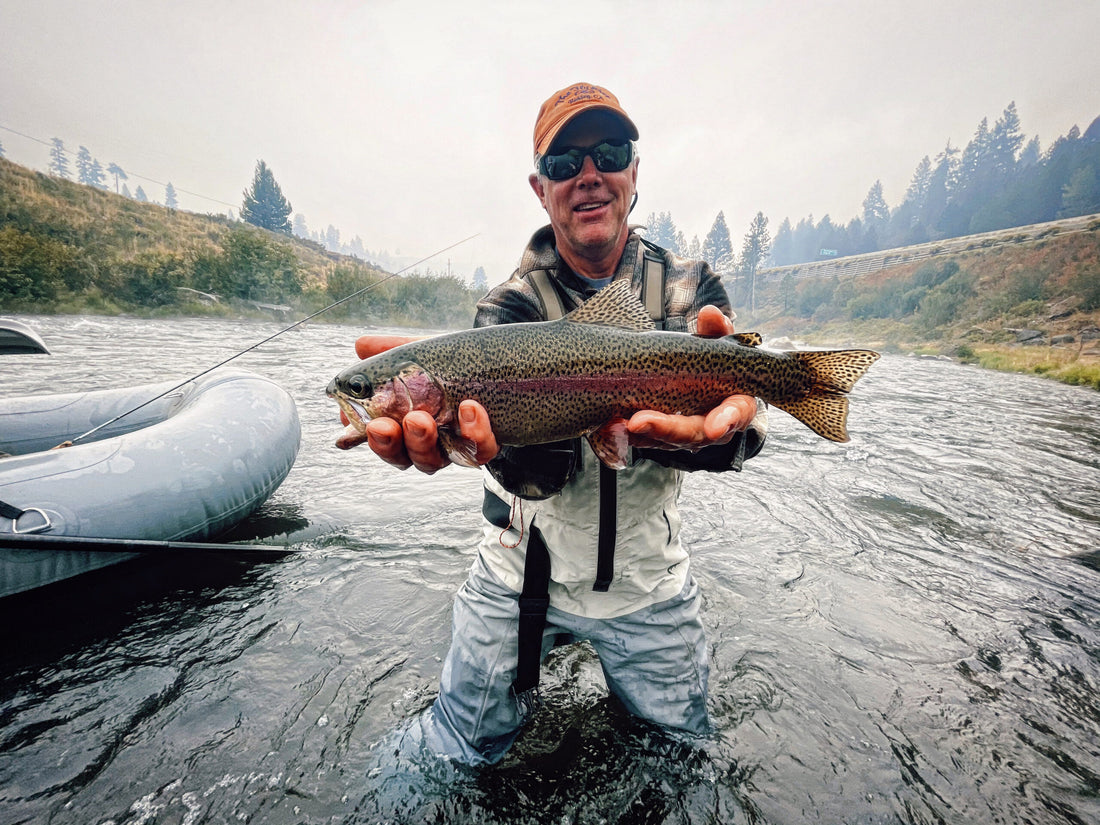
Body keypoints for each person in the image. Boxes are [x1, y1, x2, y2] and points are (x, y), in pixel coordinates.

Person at [341, 82, 768, 766]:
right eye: (565, 163)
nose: (589, 174)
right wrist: (488, 447)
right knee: (443, 755)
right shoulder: (508, 308)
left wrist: (725, 427)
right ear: (541, 188)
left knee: (681, 759)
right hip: (520, 575)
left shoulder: (692, 290)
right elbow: (535, 474)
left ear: (634, 170)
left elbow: (732, 433)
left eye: (608, 151)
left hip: (648, 580)